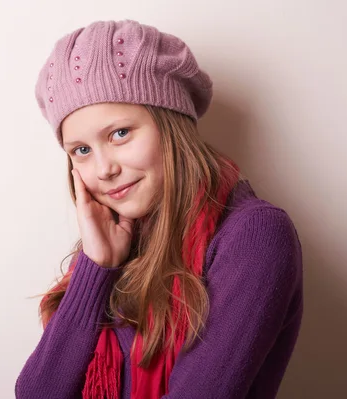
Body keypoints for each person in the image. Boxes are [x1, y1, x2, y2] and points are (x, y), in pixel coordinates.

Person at [15, 19, 303, 399]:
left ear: (171, 126)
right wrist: (96, 266)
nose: (104, 169)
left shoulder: (255, 236)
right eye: (81, 150)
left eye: (120, 133)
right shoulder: (117, 240)